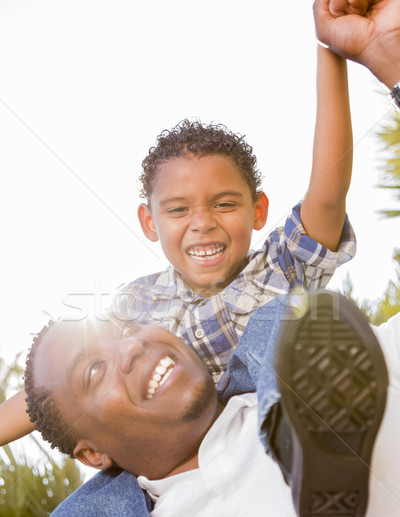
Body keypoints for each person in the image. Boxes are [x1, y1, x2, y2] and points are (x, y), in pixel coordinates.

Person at [0, 3, 357, 457]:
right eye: (178, 210)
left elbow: (327, 192)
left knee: (280, 321)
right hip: (184, 446)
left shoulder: (283, 266)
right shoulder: (136, 309)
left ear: (257, 211)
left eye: (224, 204)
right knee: (94, 497)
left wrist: (332, 49)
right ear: (150, 223)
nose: (202, 222)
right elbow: (51, 393)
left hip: (274, 421)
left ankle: (314, 438)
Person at [24, 289, 398, 517]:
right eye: (93, 370)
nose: (134, 346)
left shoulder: (357, 362)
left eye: (127, 327)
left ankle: (301, 429)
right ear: (93, 454)